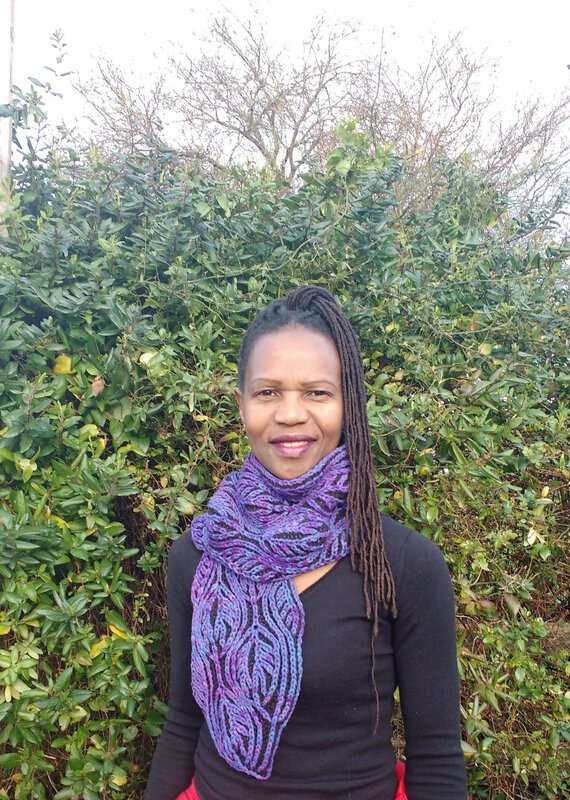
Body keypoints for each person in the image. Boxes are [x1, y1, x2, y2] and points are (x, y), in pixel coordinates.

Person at [145, 286, 467, 800]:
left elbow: (437, 756)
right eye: (267, 392)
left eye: (317, 392)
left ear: (348, 404)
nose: (291, 413)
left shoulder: (403, 564)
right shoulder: (197, 555)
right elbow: (184, 719)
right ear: (241, 405)